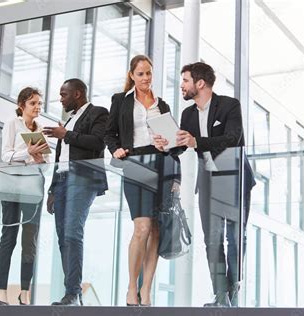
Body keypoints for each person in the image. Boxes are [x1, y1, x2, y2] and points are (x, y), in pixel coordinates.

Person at [154, 62, 255, 307]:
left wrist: (195, 141)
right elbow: (183, 145)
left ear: (200, 83)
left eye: (185, 80)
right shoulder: (188, 114)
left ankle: (232, 291)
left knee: (234, 237)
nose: (182, 86)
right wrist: (166, 145)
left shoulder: (230, 105)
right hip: (208, 180)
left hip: (233, 176)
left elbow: (232, 139)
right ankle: (220, 295)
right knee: (211, 239)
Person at [105, 55, 178, 306]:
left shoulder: (163, 105)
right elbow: (109, 132)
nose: (145, 78)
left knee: (156, 229)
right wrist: (115, 148)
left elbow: (176, 145)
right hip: (134, 164)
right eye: (140, 74)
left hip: (160, 165)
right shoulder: (120, 101)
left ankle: (146, 289)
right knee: (142, 228)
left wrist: (166, 143)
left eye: (149, 73)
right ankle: (131, 288)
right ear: (131, 76)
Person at [43, 78, 109, 306]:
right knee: (63, 237)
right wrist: (52, 189)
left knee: (72, 232)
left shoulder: (98, 113)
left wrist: (66, 135)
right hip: (61, 181)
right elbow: (60, 158)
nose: (61, 99)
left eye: (64, 94)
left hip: (82, 178)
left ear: (78, 94)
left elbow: (98, 142)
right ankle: (73, 292)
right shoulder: (69, 120)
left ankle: (72, 293)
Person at [0, 87, 50, 305]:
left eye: (39, 103)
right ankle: (0, 290)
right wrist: (28, 152)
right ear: (22, 105)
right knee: (9, 237)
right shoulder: (12, 124)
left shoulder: (41, 129)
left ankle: (25, 292)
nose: (37, 107)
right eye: (33, 103)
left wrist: (38, 160)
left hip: (33, 186)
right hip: (12, 185)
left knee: (30, 240)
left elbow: (44, 165)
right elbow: (5, 154)